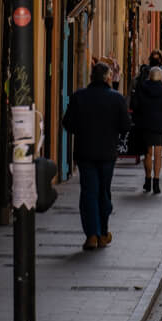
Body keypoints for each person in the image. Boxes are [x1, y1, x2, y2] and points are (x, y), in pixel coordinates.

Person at [62, 63, 130, 250]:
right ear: (108, 78)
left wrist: (83, 130)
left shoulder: (79, 97)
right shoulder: (116, 99)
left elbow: (67, 123)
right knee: (103, 192)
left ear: (91, 77)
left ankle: (92, 234)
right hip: (107, 153)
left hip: (85, 152)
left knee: (89, 193)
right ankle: (102, 233)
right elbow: (125, 125)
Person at [133, 66, 162, 193]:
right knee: (158, 154)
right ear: (161, 77)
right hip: (160, 125)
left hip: (145, 124)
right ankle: (156, 182)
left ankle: (148, 180)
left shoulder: (142, 87)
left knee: (148, 154)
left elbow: (135, 105)